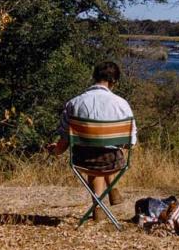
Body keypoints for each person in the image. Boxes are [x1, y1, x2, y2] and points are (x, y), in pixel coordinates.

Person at [45, 61, 137, 221]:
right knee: (106, 151)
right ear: (114, 82)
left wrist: (56, 150)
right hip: (112, 161)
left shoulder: (74, 103)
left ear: (94, 77)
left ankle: (98, 206)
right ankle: (112, 188)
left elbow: (65, 140)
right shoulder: (122, 105)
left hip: (83, 160)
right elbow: (130, 143)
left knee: (94, 153)